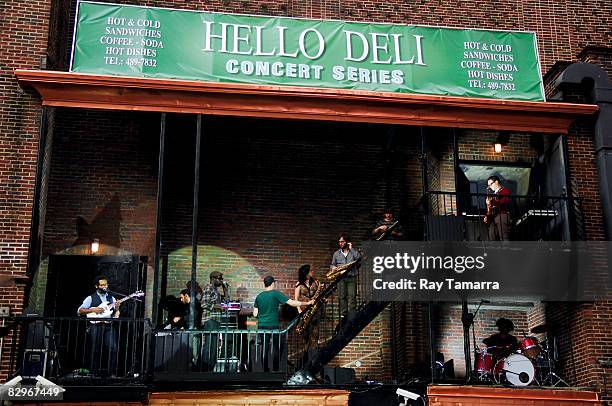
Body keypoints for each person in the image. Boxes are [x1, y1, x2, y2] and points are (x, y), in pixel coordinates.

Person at [253, 276, 313, 371]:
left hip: (261, 325)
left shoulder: (259, 296)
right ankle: (276, 369)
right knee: (277, 346)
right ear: (273, 283)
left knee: (265, 347)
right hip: (273, 325)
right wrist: (307, 303)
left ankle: (265, 370)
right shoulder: (276, 294)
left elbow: (255, 314)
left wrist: (263, 315)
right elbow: (292, 303)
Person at [77, 275, 119, 377]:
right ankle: (93, 372)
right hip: (95, 325)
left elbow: (115, 315)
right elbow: (80, 311)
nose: (104, 286)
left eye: (106, 284)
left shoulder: (111, 298)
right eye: (102, 285)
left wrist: (117, 308)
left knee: (112, 347)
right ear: (97, 286)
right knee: (95, 348)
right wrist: (93, 309)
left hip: (108, 325)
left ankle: (110, 372)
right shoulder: (90, 298)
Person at [330, 233, 361, 314]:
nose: (340, 243)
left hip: (352, 276)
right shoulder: (336, 253)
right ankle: (344, 315)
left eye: (342, 241)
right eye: (339, 242)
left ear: (347, 242)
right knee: (342, 297)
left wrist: (352, 249)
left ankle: (352, 314)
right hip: (340, 277)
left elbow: (359, 259)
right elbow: (332, 264)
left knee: (352, 296)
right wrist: (333, 267)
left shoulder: (353, 252)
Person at [484, 176, 511, 241]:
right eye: (488, 185)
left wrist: (491, 202)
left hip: (502, 215)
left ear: (496, 182)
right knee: (491, 238)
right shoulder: (493, 195)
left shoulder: (505, 190)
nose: (489, 186)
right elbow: (490, 208)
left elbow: (504, 201)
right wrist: (487, 215)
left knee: (504, 237)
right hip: (493, 217)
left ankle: (506, 250)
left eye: (491, 184)